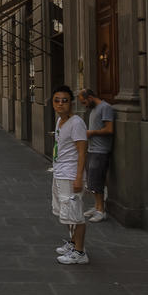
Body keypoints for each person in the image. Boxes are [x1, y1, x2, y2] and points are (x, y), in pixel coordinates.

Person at [52, 85, 89, 265]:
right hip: (60, 172)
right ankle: (73, 243)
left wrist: (78, 177)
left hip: (71, 174)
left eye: (65, 101)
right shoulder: (59, 121)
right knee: (65, 212)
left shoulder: (77, 123)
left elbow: (82, 152)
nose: (60, 104)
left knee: (76, 213)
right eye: (57, 101)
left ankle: (80, 253)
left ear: (71, 103)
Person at [78, 87, 115, 222]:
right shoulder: (94, 109)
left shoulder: (105, 108)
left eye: (84, 102)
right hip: (93, 149)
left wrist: (91, 133)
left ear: (90, 98)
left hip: (101, 150)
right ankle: (96, 206)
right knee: (92, 181)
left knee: (97, 181)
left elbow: (109, 129)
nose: (84, 105)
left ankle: (101, 210)